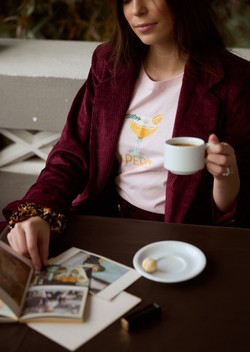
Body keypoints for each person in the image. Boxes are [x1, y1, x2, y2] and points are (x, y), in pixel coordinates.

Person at [2, 0, 250, 271]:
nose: (137, 10)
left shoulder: (234, 81)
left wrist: (226, 175)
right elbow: (71, 154)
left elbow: (231, 208)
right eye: (127, 0)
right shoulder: (109, 63)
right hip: (108, 220)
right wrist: (38, 212)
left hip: (184, 239)